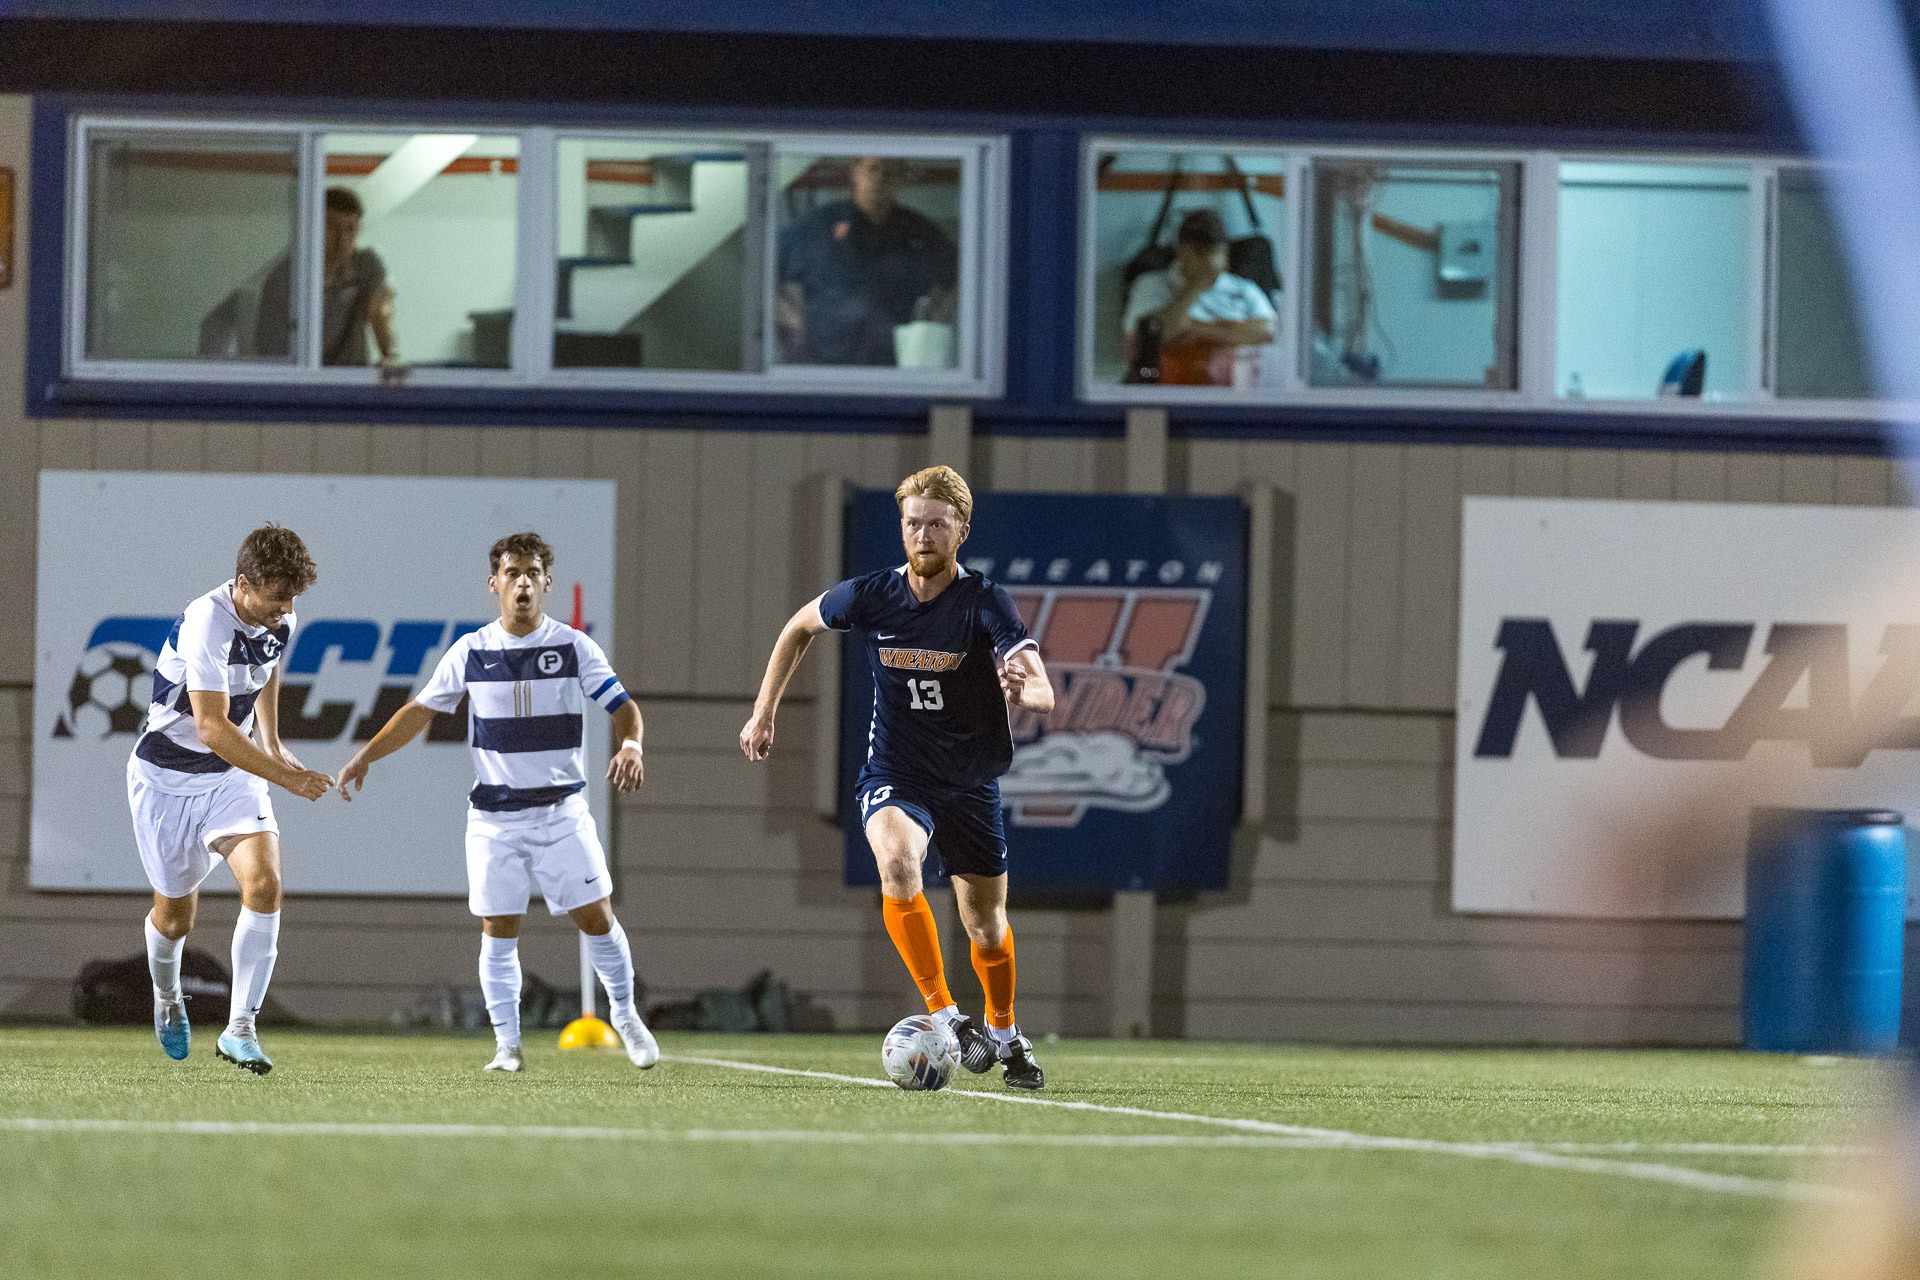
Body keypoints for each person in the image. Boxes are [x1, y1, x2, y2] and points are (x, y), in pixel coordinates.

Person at [740, 465, 1056, 1089]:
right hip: (896, 771)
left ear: (960, 531)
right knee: (898, 862)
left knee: (985, 926)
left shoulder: (985, 600)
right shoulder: (873, 594)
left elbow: (1038, 680)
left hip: (969, 780)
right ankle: (946, 1016)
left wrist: (1028, 692)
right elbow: (797, 628)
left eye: (937, 525)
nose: (923, 536)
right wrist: (763, 710)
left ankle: (1005, 1034)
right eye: (913, 523)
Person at [337, 532, 654, 1074]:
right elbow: (419, 711)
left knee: (597, 917)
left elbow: (624, 708)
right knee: (498, 926)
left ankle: (624, 1016)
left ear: (546, 583)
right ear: (495, 584)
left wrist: (631, 744)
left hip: (560, 812)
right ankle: (507, 1046)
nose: (523, 582)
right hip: (493, 817)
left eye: (533, 573)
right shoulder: (471, 650)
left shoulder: (575, 647)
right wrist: (367, 756)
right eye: (513, 573)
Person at [134, 525, 333, 1074]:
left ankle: (240, 1029)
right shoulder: (206, 622)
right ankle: (169, 996)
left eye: (292, 601)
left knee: (265, 883)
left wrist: (271, 739)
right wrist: (289, 780)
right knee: (175, 920)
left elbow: (266, 669)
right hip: (167, 780)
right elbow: (212, 728)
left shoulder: (280, 614)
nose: (286, 612)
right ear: (243, 584)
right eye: (276, 601)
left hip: (231, 777)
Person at [776, 156, 958, 366]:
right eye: (873, 169)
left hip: (891, 363)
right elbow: (764, 269)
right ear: (856, 172)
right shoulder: (818, 227)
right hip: (825, 360)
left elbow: (958, 276)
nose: (879, 180)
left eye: (889, 173)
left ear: (899, 179)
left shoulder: (919, 232)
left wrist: (932, 327)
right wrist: (792, 319)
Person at [254, 186, 404, 378]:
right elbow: (268, 348)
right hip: (302, 382)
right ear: (313, 227)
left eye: (351, 229)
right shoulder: (287, 277)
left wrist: (390, 356)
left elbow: (380, 313)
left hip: (353, 380)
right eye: (332, 227)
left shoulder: (366, 264)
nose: (343, 239)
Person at [1121, 208, 1276, 386]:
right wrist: (1195, 287)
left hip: (1238, 387)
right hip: (1175, 384)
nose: (1209, 260)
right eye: (1199, 253)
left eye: (1214, 251)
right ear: (1182, 251)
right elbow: (1153, 339)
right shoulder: (1151, 285)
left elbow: (1267, 333)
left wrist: (1196, 330)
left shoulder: (1244, 289)